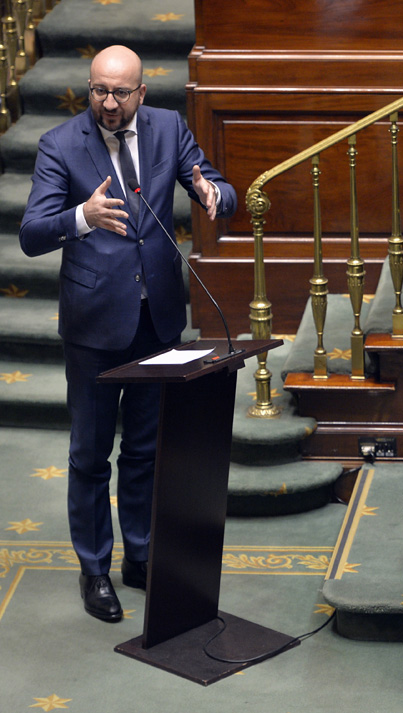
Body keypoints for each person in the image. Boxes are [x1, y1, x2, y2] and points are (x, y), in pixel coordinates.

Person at [19, 45, 238, 622]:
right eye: (98, 91)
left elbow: (210, 181)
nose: (108, 104)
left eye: (120, 93)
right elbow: (31, 234)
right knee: (91, 454)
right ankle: (95, 569)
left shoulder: (169, 128)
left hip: (157, 318)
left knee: (144, 449)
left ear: (142, 93)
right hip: (94, 324)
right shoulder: (61, 145)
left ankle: (140, 557)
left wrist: (216, 194)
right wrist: (81, 218)